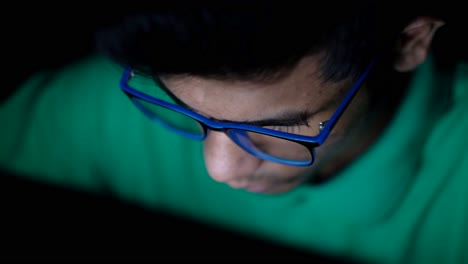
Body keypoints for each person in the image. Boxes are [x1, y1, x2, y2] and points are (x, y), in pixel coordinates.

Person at [1, 1, 467, 263]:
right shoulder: (90, 108)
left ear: (409, 42)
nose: (219, 167)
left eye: (286, 126)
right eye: (181, 106)